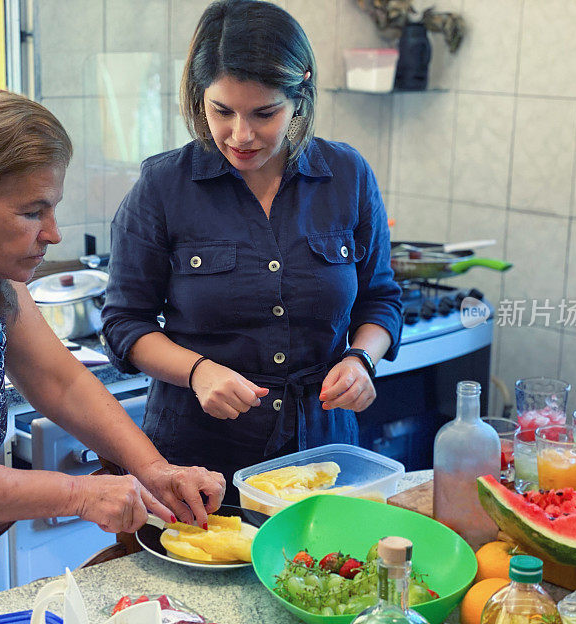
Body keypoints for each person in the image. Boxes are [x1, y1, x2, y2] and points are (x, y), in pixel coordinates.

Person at [0, 89, 225, 623]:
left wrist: (154, 471)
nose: (53, 233)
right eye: (30, 212)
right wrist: (80, 496)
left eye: (54, 207)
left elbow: (59, 381)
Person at [102, 0, 402, 504]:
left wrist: (361, 361)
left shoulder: (347, 176)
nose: (240, 135)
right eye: (222, 111)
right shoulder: (163, 187)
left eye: (265, 113)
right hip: (198, 464)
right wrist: (199, 372)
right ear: (200, 98)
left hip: (324, 457)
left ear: (299, 95)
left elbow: (381, 300)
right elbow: (123, 325)